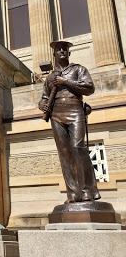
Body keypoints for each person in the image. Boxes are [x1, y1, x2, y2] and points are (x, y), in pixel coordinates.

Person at [39, 40, 101, 203]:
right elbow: (44, 97)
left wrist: (66, 82)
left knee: (78, 148)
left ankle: (88, 190)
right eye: (58, 50)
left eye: (64, 49)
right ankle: (73, 193)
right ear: (54, 54)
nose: (61, 51)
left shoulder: (78, 69)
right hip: (56, 114)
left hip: (75, 111)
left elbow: (89, 88)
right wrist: (43, 105)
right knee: (65, 154)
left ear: (69, 53)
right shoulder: (51, 77)